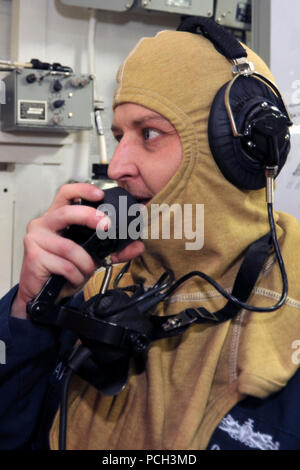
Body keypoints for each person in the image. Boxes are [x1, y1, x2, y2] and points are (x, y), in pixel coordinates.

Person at [1, 19, 300, 450]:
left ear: (240, 149)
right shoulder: (96, 284)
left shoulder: (287, 310)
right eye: (119, 135)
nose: (118, 165)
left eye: (149, 134)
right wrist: (28, 313)